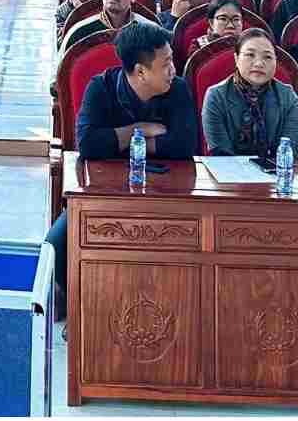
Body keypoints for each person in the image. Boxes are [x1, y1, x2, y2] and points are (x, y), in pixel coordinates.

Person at [43, 23, 199, 289]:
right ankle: (76, 305)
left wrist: (122, 142)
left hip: (166, 194)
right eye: (166, 64)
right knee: (55, 245)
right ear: (141, 71)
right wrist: (139, 130)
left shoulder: (178, 89)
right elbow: (89, 144)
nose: (174, 70)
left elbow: (184, 145)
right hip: (106, 191)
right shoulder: (101, 88)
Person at [202, 29, 298, 157]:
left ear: (276, 62)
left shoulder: (288, 97)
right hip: (228, 175)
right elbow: (221, 154)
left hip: (275, 173)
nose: (259, 63)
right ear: (236, 59)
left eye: (267, 57)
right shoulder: (216, 96)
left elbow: (291, 150)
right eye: (250, 55)